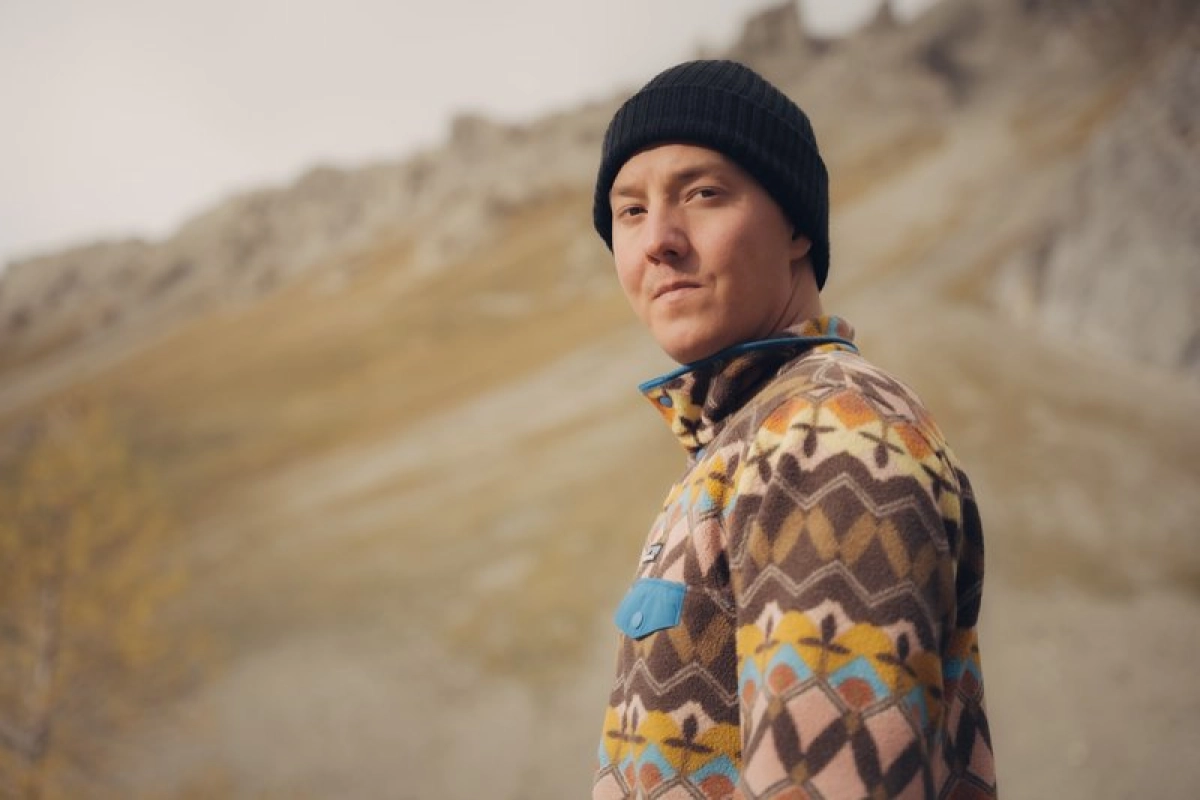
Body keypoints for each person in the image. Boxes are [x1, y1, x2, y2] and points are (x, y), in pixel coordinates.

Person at [589, 60, 996, 799]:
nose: (659, 241)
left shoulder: (826, 434)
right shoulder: (755, 434)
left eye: (703, 193)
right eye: (631, 211)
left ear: (798, 226)